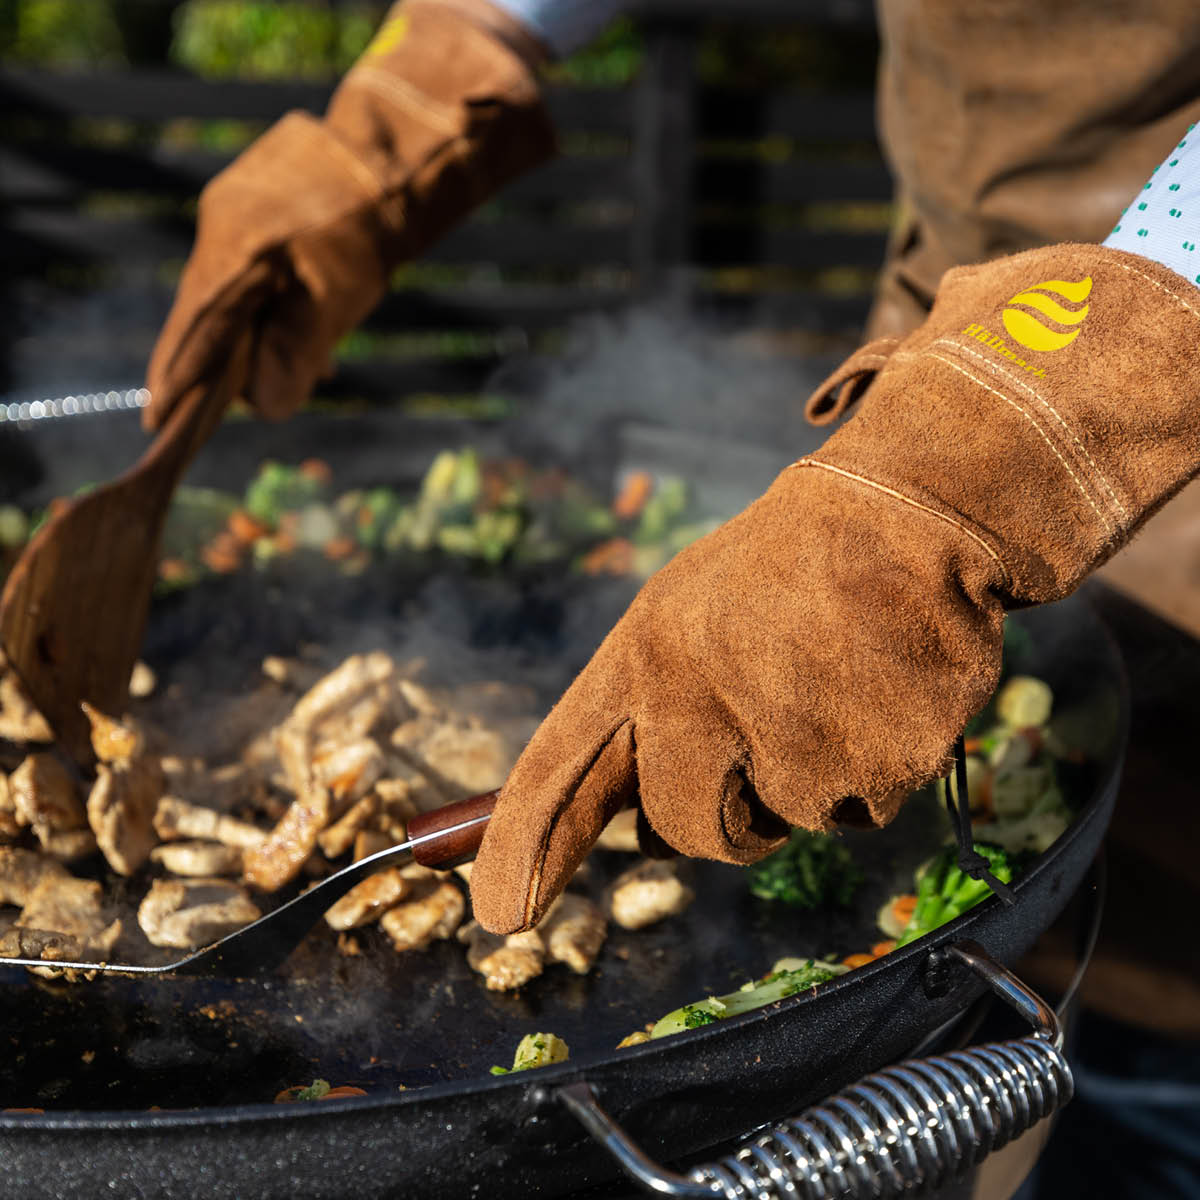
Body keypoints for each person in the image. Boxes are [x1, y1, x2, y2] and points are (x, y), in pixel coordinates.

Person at [146, 3, 1200, 1190]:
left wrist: (1006, 434)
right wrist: (424, 90)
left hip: (1155, 430)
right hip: (939, 359)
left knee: (1165, 960)